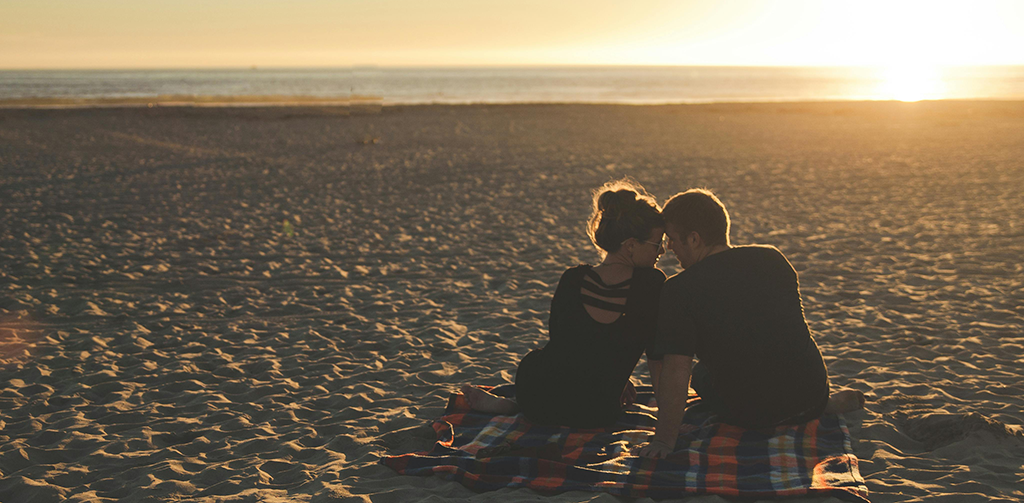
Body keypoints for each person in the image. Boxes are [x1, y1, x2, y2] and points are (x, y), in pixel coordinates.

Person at [638, 188, 864, 458]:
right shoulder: (773, 258)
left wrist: (664, 441)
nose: (668, 248)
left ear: (695, 239)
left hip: (754, 413)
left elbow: (677, 371)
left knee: (699, 375)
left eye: (672, 240)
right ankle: (824, 406)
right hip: (813, 394)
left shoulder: (679, 289)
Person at [461, 179, 667, 428]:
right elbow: (656, 358)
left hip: (541, 400)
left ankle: (514, 406)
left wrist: (618, 376)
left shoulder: (573, 278)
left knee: (539, 363)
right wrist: (665, 417)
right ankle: (514, 407)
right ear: (631, 245)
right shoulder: (651, 285)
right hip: (599, 410)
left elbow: (566, 346)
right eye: (658, 243)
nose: (662, 252)